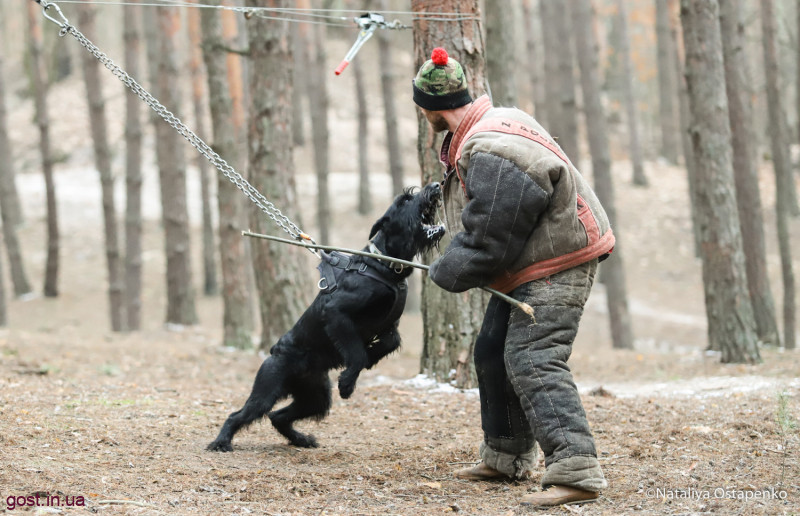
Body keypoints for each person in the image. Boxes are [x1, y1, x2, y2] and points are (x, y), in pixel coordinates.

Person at [413, 47, 613, 507]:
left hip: (560, 258)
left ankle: (577, 470)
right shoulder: (490, 125)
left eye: (422, 108)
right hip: (540, 255)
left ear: (431, 107)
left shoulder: (491, 148)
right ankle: (506, 457)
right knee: (491, 350)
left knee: (533, 356)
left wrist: (447, 270)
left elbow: (491, 235)